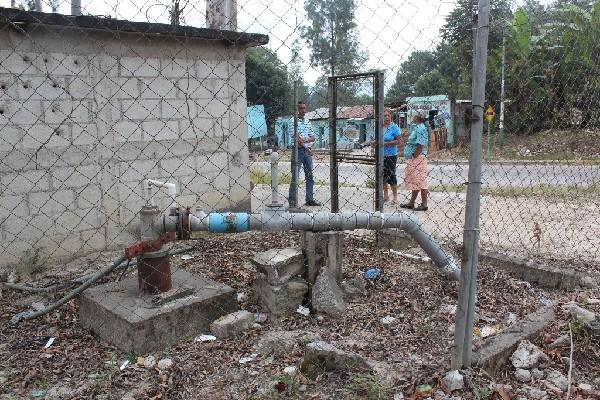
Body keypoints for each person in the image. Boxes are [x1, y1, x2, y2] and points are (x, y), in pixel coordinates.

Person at [289, 101, 321, 207]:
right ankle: (292, 201)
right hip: (297, 151)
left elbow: (313, 137)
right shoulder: (292, 121)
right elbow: (296, 138)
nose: (304, 111)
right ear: (297, 110)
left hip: (307, 151)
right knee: (295, 177)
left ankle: (309, 199)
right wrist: (305, 145)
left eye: (304, 108)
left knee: (310, 176)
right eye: (301, 108)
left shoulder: (307, 121)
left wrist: (305, 140)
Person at [372, 108, 402, 204]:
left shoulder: (394, 127)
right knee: (382, 176)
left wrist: (386, 143)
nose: (387, 117)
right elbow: (377, 140)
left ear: (391, 117)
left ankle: (395, 197)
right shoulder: (379, 128)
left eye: (388, 115)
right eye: (385, 116)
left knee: (392, 175)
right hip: (380, 155)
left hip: (391, 155)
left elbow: (399, 141)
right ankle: (385, 196)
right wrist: (374, 143)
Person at [401, 114, 429, 211]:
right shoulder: (417, 127)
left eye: (413, 116)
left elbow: (420, 145)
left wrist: (414, 156)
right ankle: (411, 202)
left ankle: (424, 204)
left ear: (416, 118)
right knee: (415, 181)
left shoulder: (421, 128)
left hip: (418, 158)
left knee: (420, 180)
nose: (411, 117)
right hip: (415, 158)